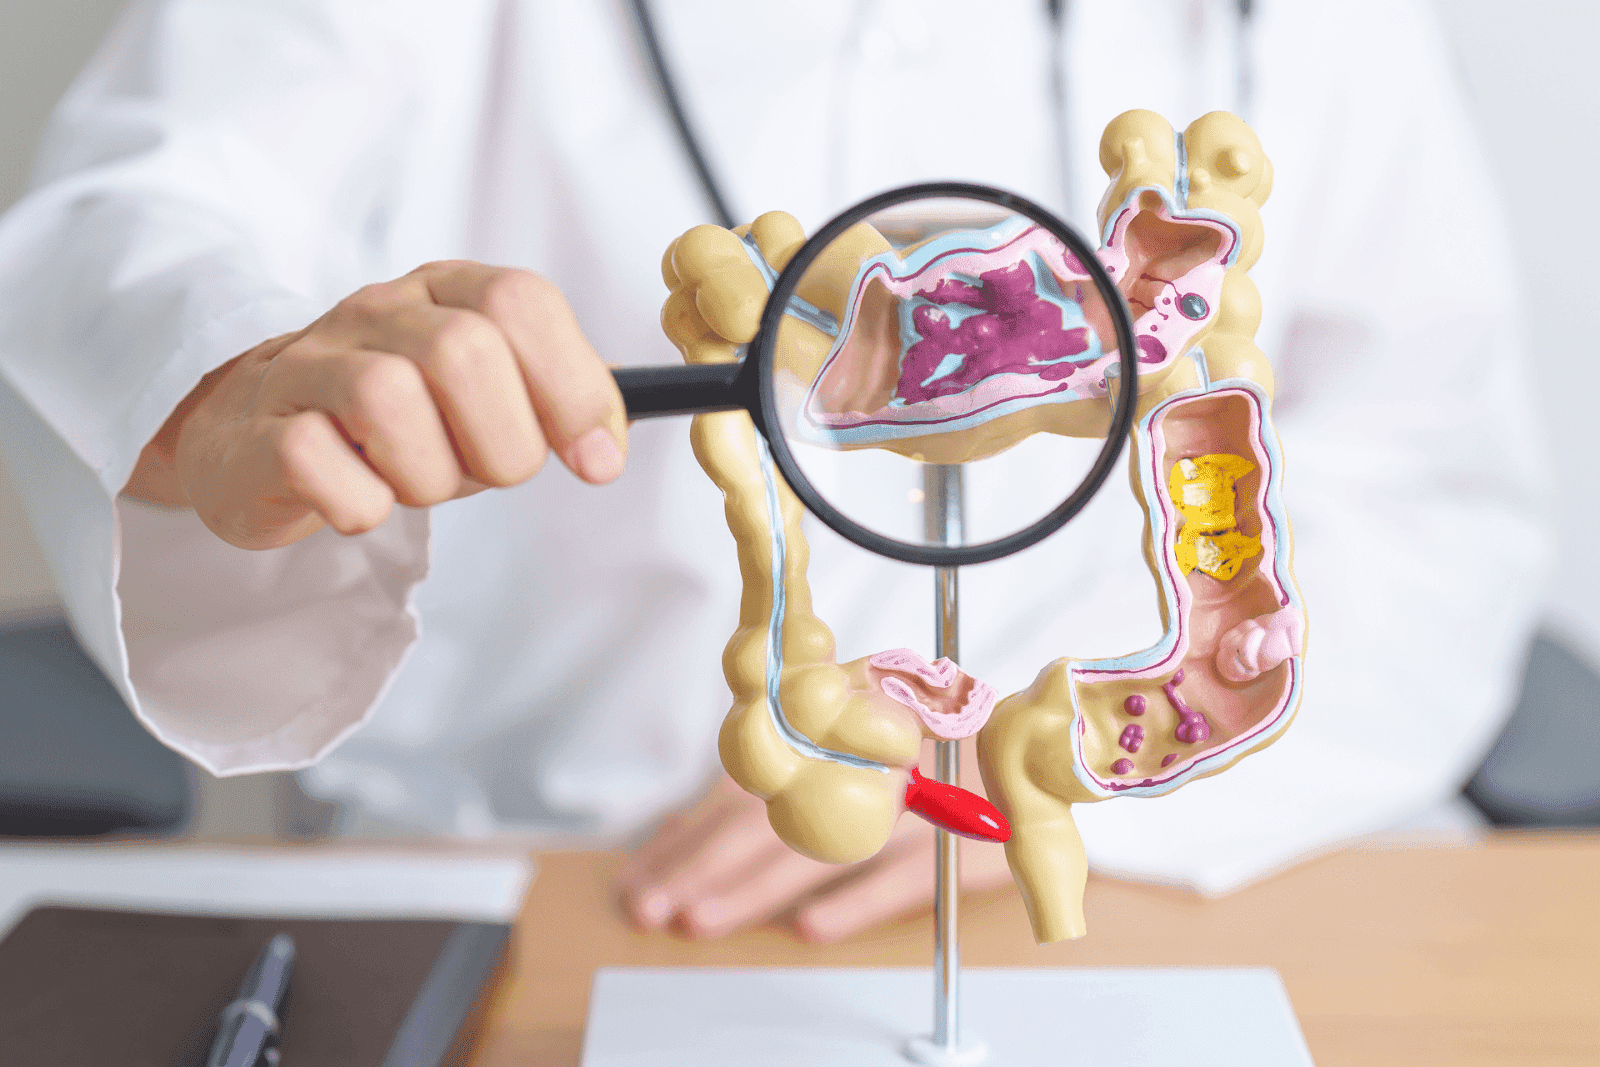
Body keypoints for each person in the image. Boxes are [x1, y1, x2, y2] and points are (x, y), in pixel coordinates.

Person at [0, 0, 1549, 942]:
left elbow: (1431, 485)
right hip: (571, 872)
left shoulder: (1306, 39)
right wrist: (221, 369)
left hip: (1195, 877)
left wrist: (1061, 767)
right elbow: (149, 205)